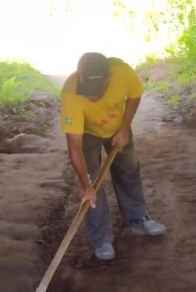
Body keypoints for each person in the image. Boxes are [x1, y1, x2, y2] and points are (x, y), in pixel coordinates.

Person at [60, 52, 165, 260]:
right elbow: (74, 147)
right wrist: (86, 185)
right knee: (92, 183)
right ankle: (101, 238)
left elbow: (135, 94)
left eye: (95, 91)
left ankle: (137, 218)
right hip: (88, 134)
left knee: (129, 168)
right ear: (79, 77)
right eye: (86, 90)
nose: (90, 96)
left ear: (107, 79)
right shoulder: (71, 93)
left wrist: (125, 128)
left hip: (118, 127)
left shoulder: (122, 72)